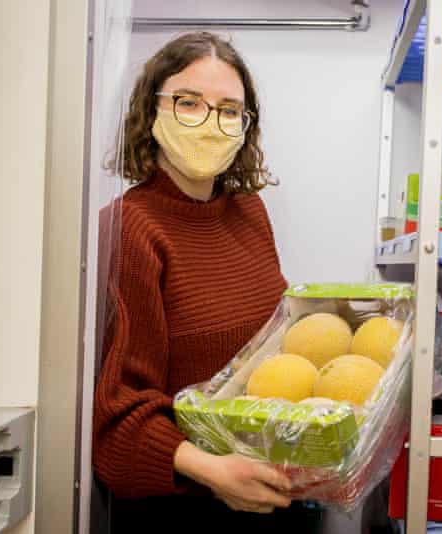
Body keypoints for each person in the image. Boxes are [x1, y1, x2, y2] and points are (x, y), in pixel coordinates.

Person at [92, 32, 319, 531]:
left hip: (272, 488)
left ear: (245, 125)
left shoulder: (250, 212)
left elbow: (267, 346)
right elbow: (118, 417)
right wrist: (214, 472)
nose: (209, 123)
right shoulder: (131, 227)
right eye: (188, 103)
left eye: (228, 110)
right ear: (151, 113)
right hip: (187, 506)